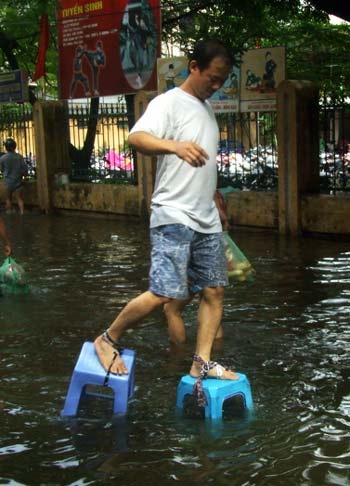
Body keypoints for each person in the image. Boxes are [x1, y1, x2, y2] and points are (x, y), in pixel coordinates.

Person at [94, 39, 238, 387]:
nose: (216, 86)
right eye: (213, 78)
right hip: (173, 213)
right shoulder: (168, 102)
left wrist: (215, 198)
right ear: (194, 67)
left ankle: (200, 363)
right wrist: (173, 145)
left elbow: (201, 165)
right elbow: (136, 138)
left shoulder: (206, 110)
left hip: (205, 216)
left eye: (222, 80)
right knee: (164, 292)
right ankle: (108, 338)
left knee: (215, 290)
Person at [164, 190, 229, 345]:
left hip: (194, 253)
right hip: (213, 251)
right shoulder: (216, 193)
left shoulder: (192, 192)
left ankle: (178, 354)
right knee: (210, 304)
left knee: (172, 309)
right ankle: (215, 352)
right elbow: (224, 221)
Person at [0, 138, 28, 215]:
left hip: (8, 182)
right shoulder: (19, 157)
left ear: (6, 147)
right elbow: (24, 169)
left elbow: (2, 169)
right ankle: (22, 213)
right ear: (14, 146)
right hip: (18, 181)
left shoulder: (2, 158)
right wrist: (24, 177)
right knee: (19, 198)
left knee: (8, 199)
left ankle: (9, 212)